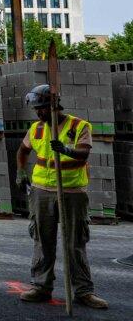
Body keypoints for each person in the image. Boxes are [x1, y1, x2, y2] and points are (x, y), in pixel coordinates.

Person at [15, 84, 108, 309]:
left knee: (75, 243)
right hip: (41, 191)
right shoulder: (36, 128)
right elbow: (23, 150)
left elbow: (83, 153)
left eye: (42, 108)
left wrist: (66, 150)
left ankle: (84, 291)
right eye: (36, 109)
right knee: (42, 240)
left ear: (54, 105)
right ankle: (41, 287)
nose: (39, 112)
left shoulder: (79, 126)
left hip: (72, 192)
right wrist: (20, 171)